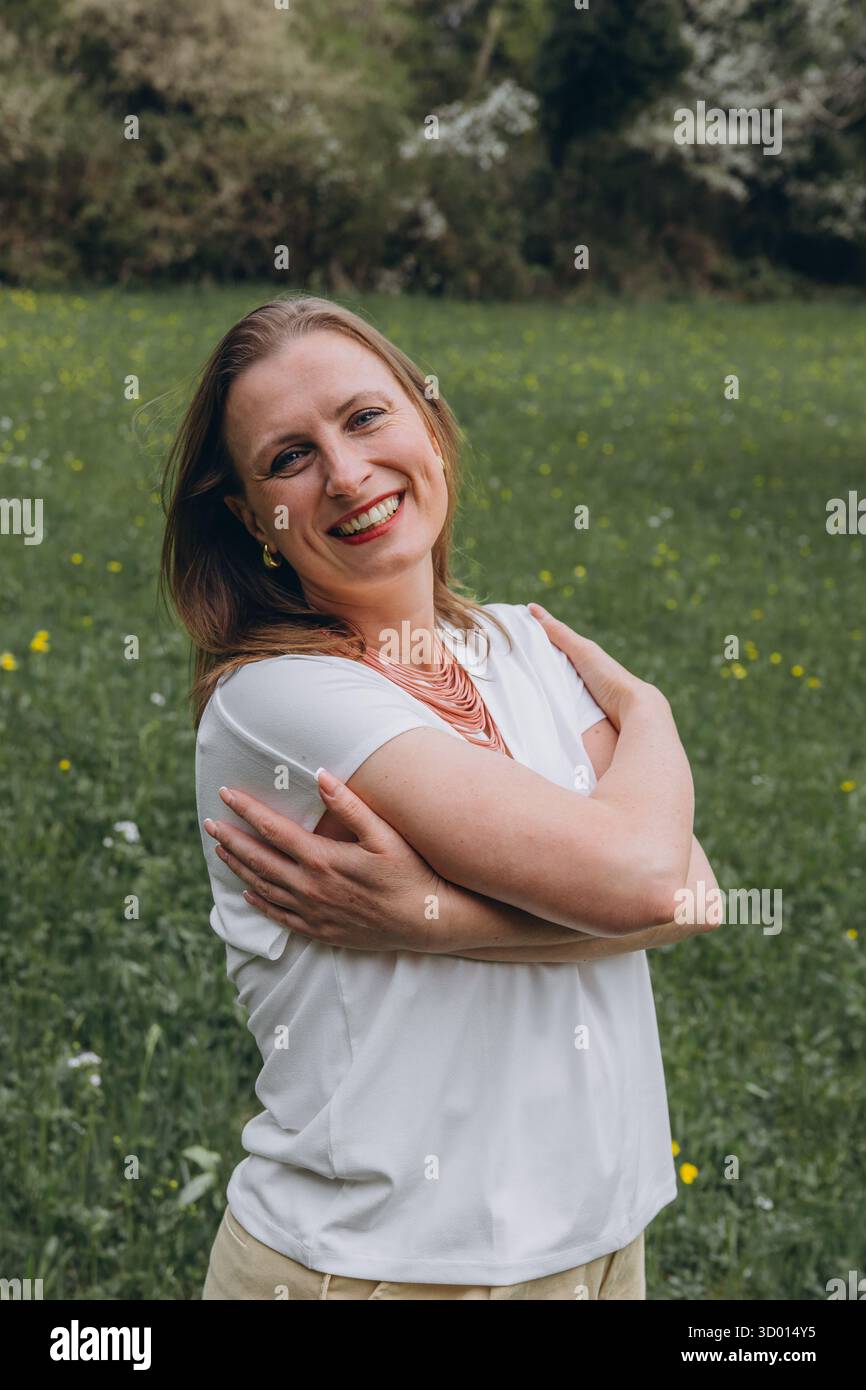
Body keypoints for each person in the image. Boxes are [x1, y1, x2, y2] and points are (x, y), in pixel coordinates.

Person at [159, 293, 720, 1300]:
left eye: (365, 417)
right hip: (380, 1266)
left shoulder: (520, 643)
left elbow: (694, 894)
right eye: (289, 456)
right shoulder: (278, 699)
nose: (345, 473)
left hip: (597, 1243)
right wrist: (648, 726)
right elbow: (646, 878)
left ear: (429, 426)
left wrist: (433, 919)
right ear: (253, 520)